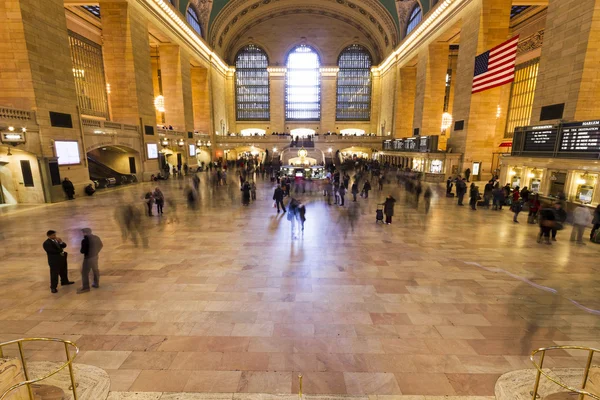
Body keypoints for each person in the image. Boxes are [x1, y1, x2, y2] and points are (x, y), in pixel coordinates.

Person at [77, 228, 103, 294]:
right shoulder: (96, 237)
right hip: (95, 256)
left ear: (85, 233)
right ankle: (96, 283)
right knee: (95, 270)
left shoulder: (85, 240)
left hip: (88, 258)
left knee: (84, 272)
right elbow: (101, 245)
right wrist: (96, 252)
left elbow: (82, 251)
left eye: (83, 233)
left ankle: (86, 287)